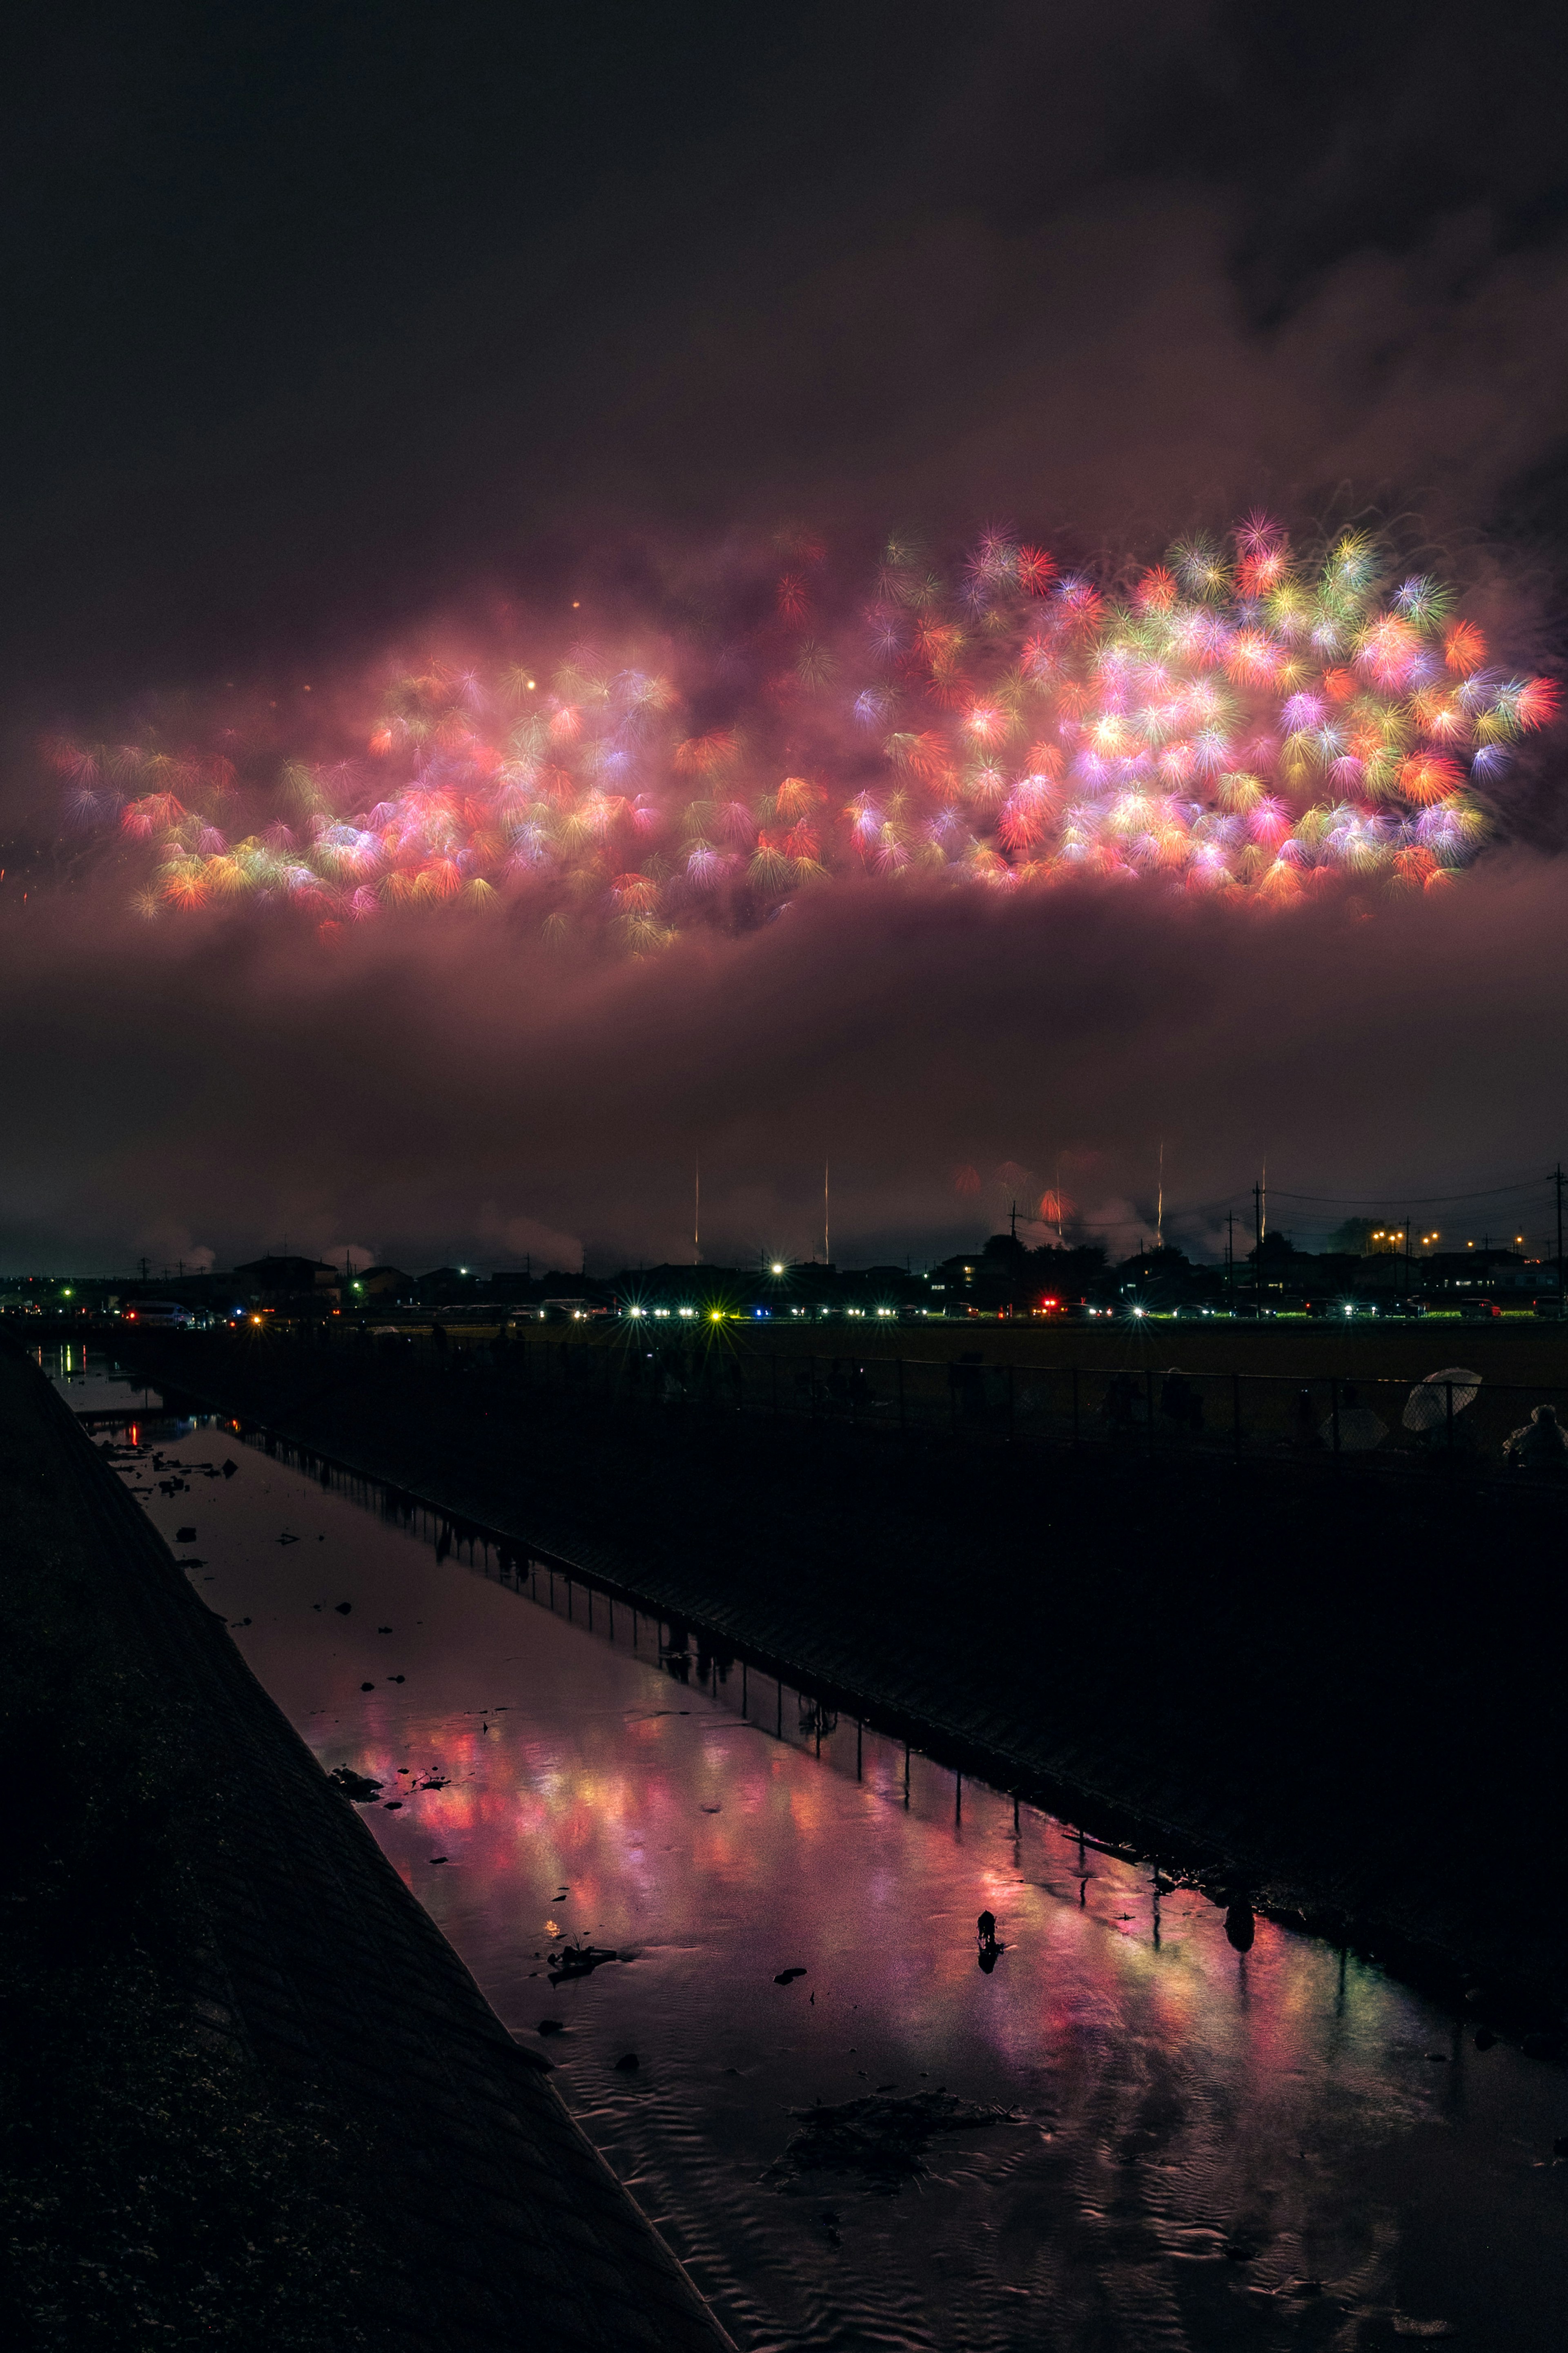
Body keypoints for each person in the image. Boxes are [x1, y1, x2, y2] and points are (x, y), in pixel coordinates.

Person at [1503, 1402, 1568, 1477]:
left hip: (1538, 1463)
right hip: (1553, 1465)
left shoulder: (1533, 1431)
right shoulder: (1556, 1432)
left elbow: (1515, 1442)